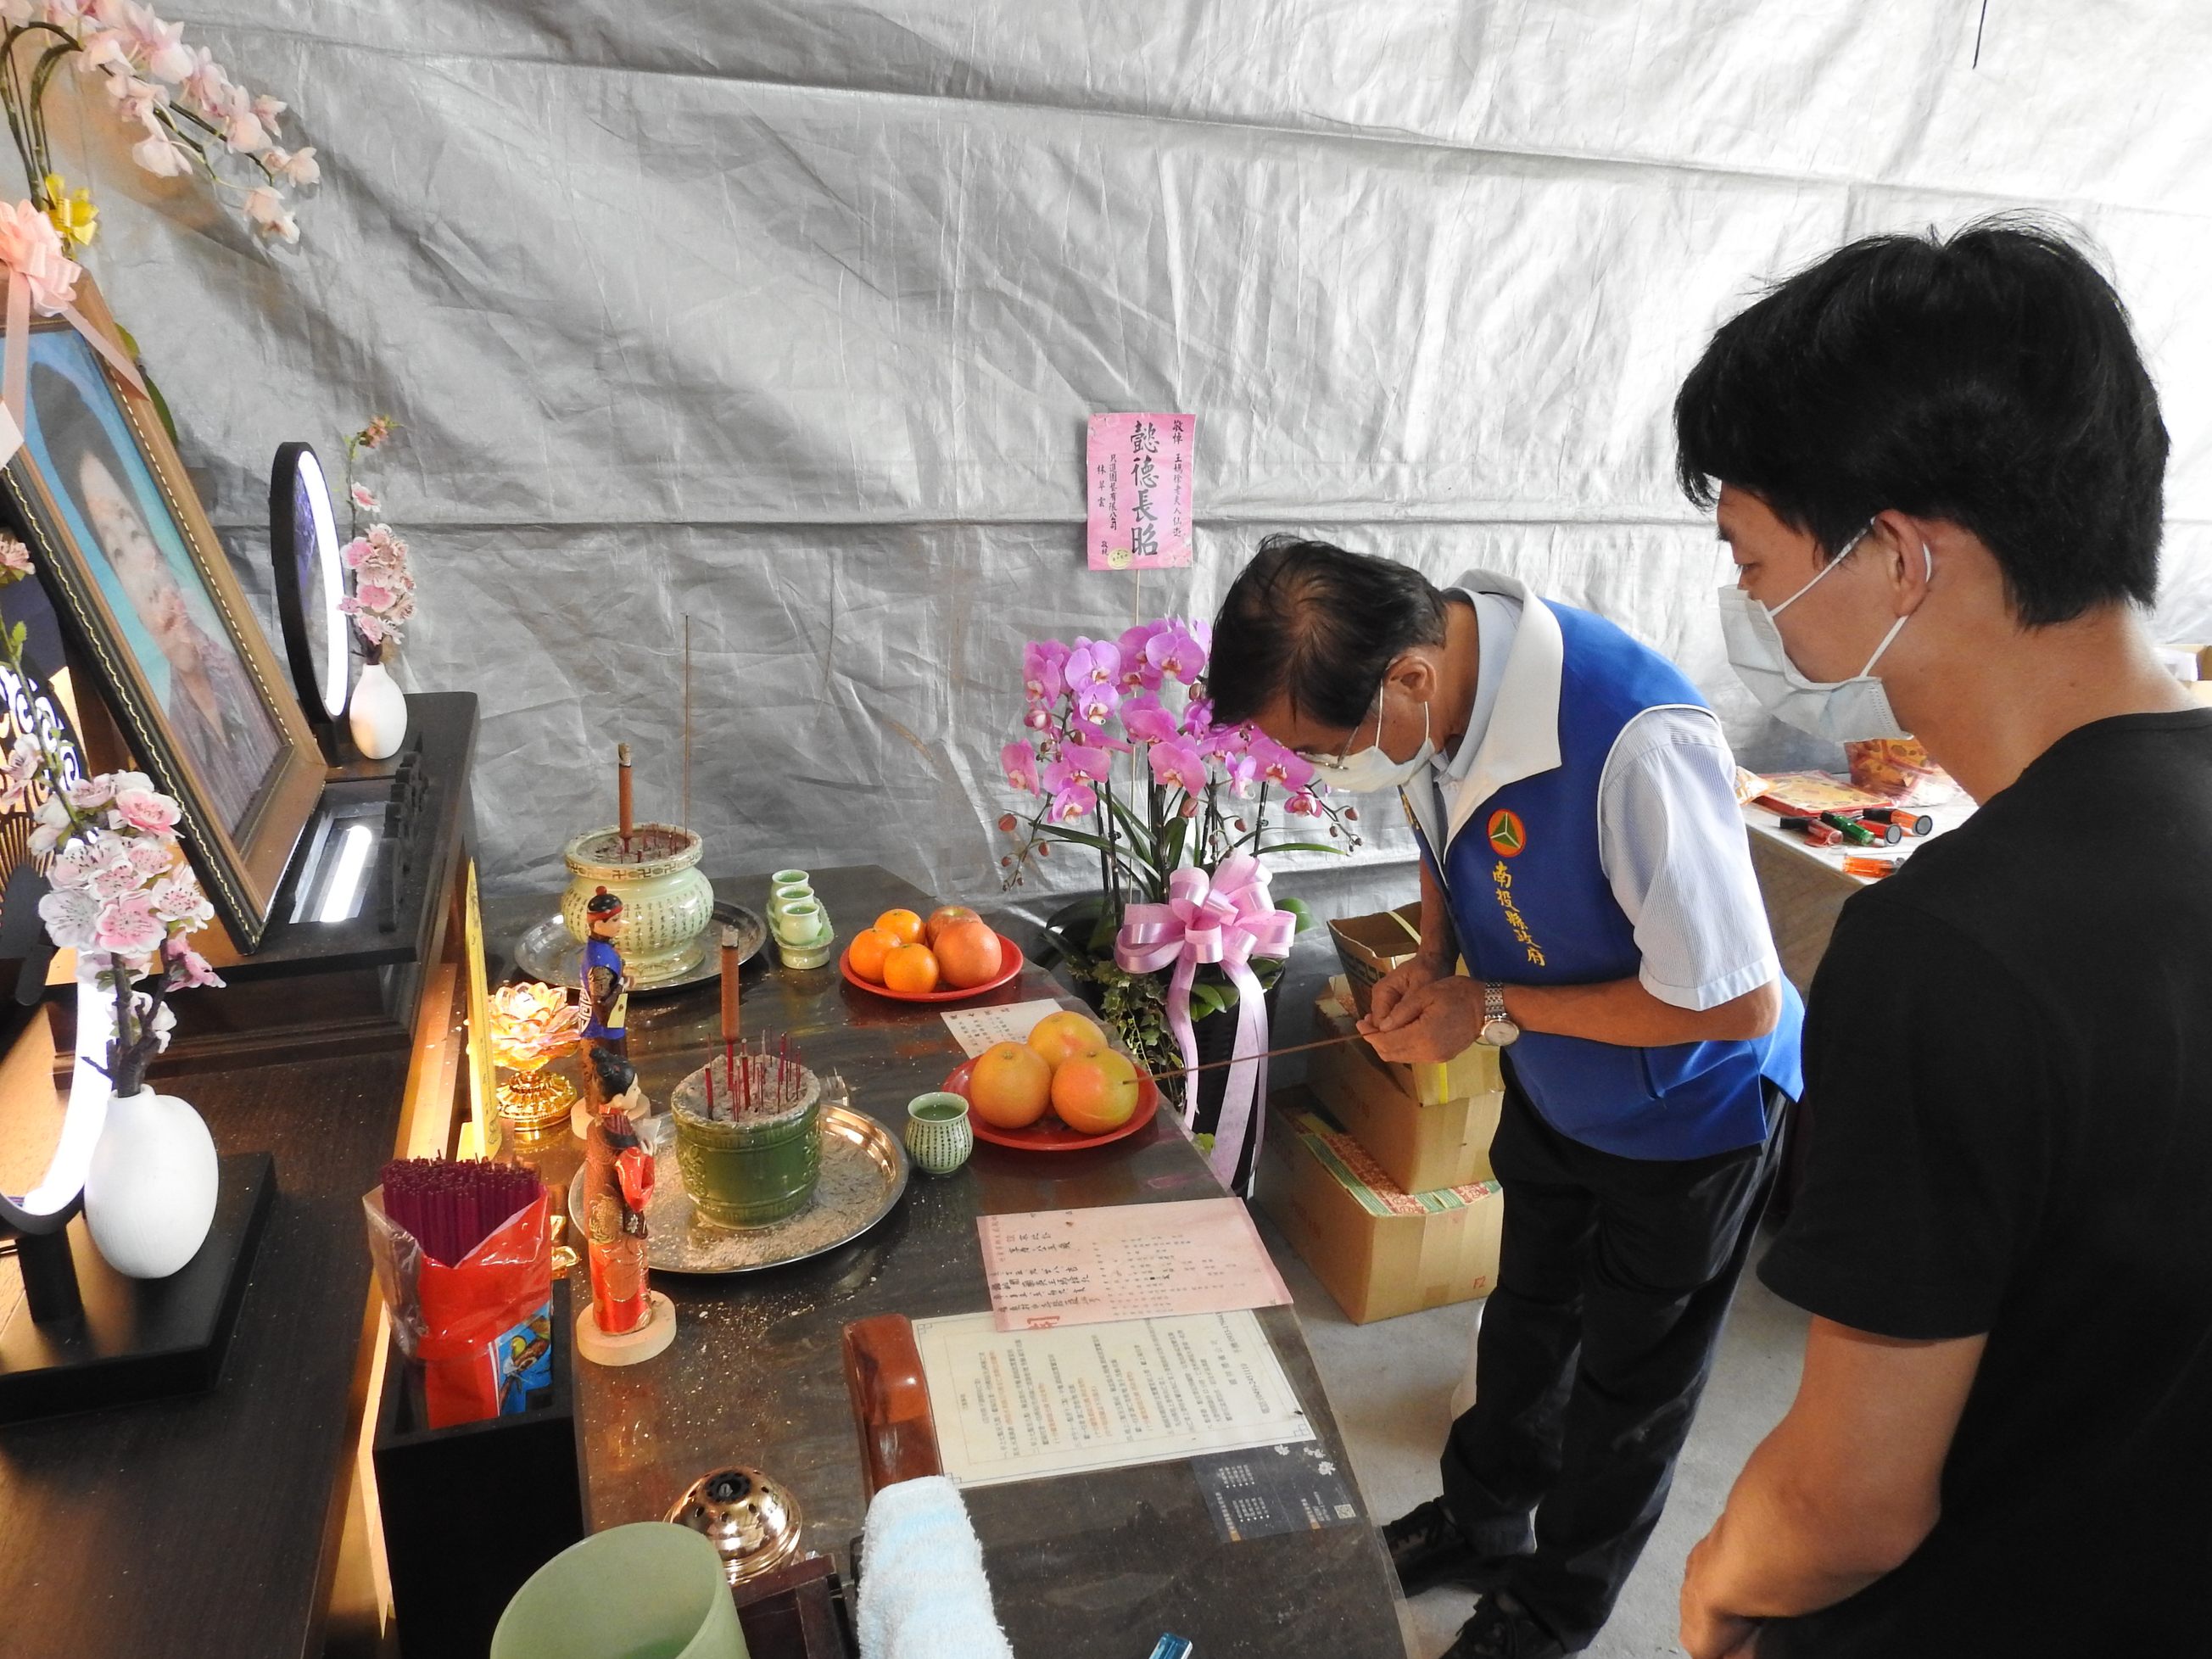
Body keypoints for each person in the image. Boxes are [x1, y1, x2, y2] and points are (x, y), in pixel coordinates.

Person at [1672, 221, 2211, 1656]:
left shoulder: (1948, 948)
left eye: (1753, 557)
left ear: (1897, 556)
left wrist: (1717, 1576)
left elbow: (1849, 1508)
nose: (1749, 603)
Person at [1205, 539, 1802, 1658]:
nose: (1323, 774)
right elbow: (1441, 825)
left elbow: (1734, 1003)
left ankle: (1548, 1612)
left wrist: (1482, 1007)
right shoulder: (1439, 684)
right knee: (1527, 1317)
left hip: (1691, 1115)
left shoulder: (1636, 743)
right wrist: (1433, 961)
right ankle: (1483, 1523)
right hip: (1557, 1077)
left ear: (1408, 678)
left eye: (1322, 749)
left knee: (1630, 1389)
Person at [31, 360, 282, 830]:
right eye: (117, 554)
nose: (146, 576)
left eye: (136, 534)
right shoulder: (163, 735)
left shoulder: (243, 675)